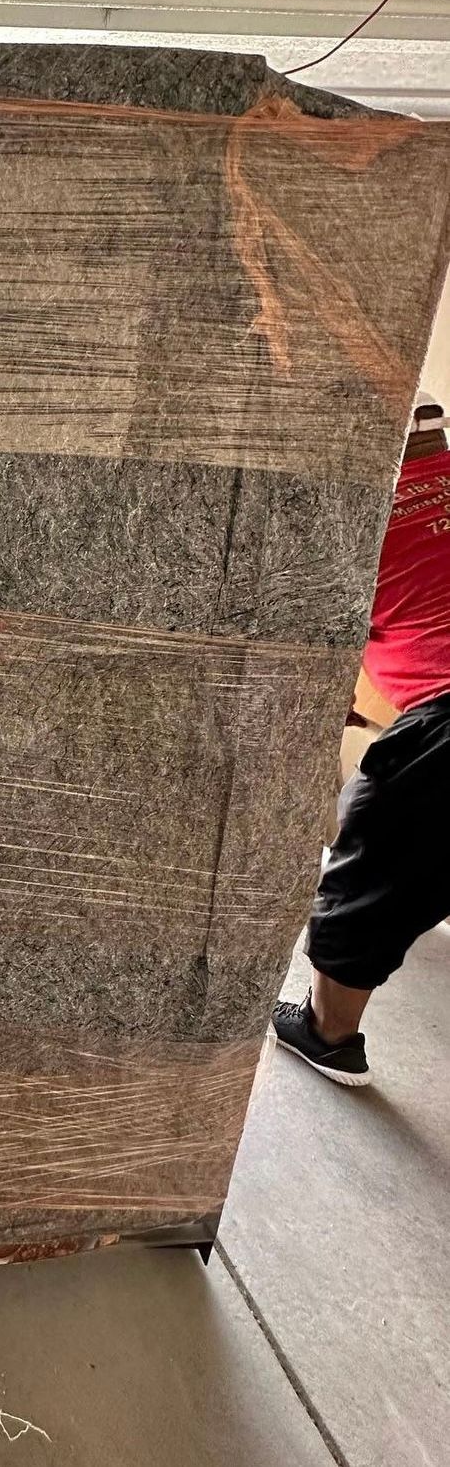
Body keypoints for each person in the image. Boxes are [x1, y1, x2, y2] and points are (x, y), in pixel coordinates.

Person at [274, 397, 450, 1086]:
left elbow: (309, 646)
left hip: (444, 728)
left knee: (370, 871)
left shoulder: (343, 519)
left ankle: (327, 1035)